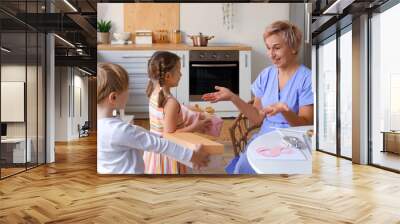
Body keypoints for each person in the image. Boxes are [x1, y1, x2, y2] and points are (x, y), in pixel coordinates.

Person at [202, 21, 314, 174]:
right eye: (268, 48)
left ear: (293, 47)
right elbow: (257, 119)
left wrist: (284, 110)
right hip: (266, 137)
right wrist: (233, 97)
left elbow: (305, 124)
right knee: (243, 167)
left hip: (294, 140)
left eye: (277, 48)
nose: (271, 54)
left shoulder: (307, 78)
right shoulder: (266, 75)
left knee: (282, 174)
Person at [97, 62, 210, 174]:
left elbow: (142, 135)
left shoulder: (100, 127)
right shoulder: (119, 131)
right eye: (127, 89)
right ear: (114, 97)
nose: (129, 93)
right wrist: (192, 156)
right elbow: (159, 145)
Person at [144, 51, 212, 174]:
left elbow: (163, 122)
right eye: (179, 70)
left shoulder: (154, 92)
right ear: (168, 76)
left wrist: (185, 110)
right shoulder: (171, 103)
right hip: (169, 155)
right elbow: (170, 135)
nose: (181, 74)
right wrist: (195, 127)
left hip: (156, 152)